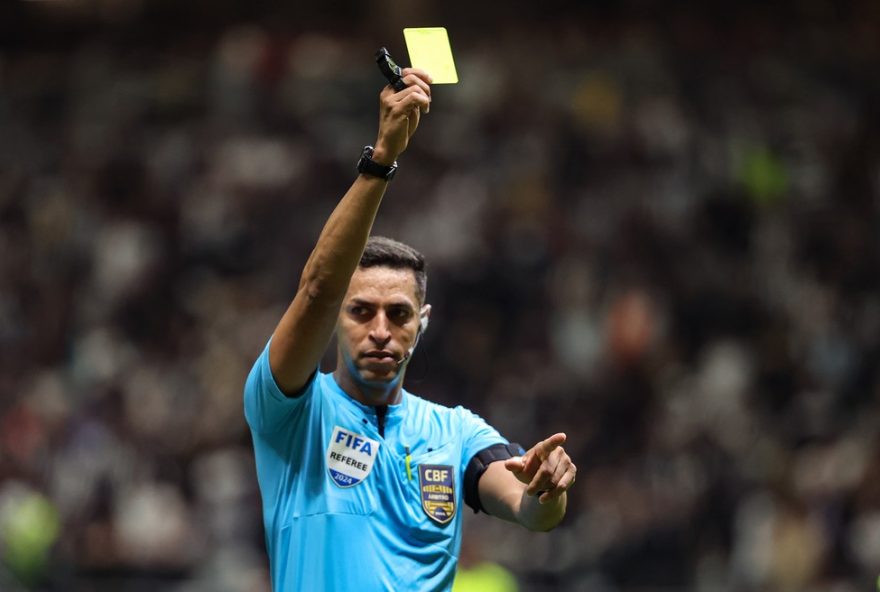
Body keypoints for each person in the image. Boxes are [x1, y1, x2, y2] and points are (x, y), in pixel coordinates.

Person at [243, 65, 576, 592]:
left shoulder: (457, 434)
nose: (380, 329)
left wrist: (546, 489)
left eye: (398, 314)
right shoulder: (291, 414)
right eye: (359, 311)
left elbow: (532, 511)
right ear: (337, 316)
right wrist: (381, 160)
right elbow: (317, 289)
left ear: (422, 323)